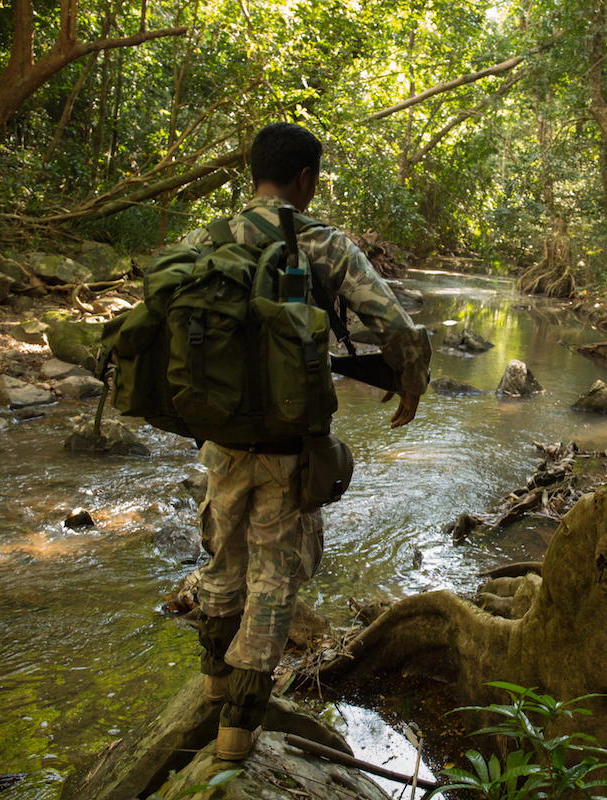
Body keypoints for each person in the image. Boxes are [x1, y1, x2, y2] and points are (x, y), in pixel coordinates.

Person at [185, 122, 431, 761]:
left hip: (221, 438)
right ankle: (237, 732)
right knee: (275, 576)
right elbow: (396, 325)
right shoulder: (322, 244)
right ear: (305, 179)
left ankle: (212, 683)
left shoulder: (206, 241)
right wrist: (411, 383)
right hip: (290, 443)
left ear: (251, 173)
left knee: (221, 556)